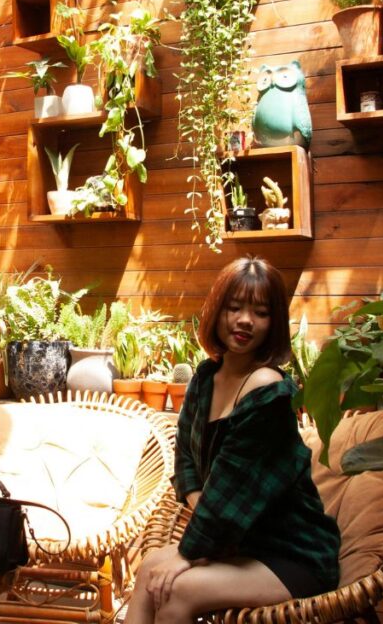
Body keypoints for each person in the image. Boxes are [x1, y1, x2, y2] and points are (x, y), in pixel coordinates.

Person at [126, 256, 340, 624]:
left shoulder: (268, 390)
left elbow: (233, 486)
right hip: (235, 543)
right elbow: (186, 461)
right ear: (218, 312)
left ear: (273, 324)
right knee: (148, 570)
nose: (245, 320)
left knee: (176, 591)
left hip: (290, 553)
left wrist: (188, 553)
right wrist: (199, 522)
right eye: (234, 307)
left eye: (260, 312)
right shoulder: (206, 378)